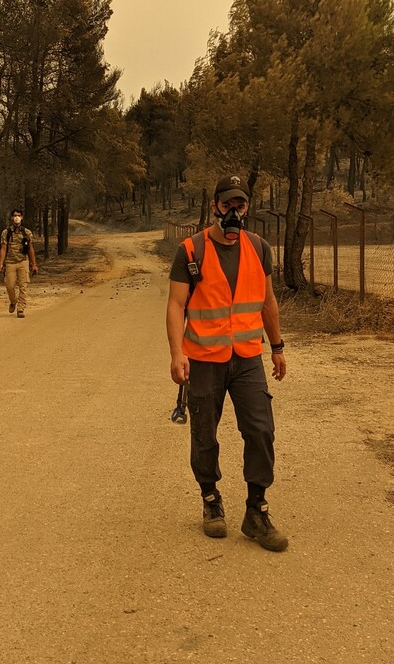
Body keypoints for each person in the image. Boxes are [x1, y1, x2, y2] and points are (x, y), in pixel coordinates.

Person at [166, 175, 288, 552]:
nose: (234, 212)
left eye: (241, 205)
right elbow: (175, 305)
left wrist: (278, 347)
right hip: (204, 359)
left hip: (248, 356)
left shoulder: (260, 248)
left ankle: (256, 511)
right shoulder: (191, 251)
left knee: (260, 429)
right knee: (205, 433)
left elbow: (267, 301)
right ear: (215, 205)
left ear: (247, 208)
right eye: (227, 205)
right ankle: (210, 499)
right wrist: (176, 353)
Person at [0, 208, 39, 318]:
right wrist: (1, 263)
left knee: (23, 286)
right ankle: (13, 301)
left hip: (23, 261)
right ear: (12, 218)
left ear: (22, 217)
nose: (17, 217)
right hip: (10, 262)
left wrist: (34, 264)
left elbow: (30, 249)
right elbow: (3, 248)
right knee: (10, 285)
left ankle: (21, 309)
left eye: (19, 215)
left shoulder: (27, 232)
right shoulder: (6, 232)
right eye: (15, 215)